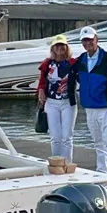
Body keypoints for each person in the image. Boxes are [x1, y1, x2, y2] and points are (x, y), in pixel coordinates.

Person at [71, 26, 107, 176]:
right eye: (84, 40)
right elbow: (77, 77)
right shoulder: (81, 60)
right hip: (90, 107)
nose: (87, 43)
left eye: (90, 40)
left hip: (106, 107)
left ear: (96, 40)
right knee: (98, 142)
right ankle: (102, 171)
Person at [37, 34, 77, 163]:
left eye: (62, 45)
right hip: (52, 103)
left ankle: (67, 164)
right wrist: (41, 92)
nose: (59, 48)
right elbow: (42, 82)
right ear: (53, 48)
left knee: (67, 136)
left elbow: (82, 78)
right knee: (55, 136)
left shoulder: (73, 63)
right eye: (57, 45)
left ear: (66, 47)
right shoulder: (47, 64)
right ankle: (56, 163)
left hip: (68, 103)